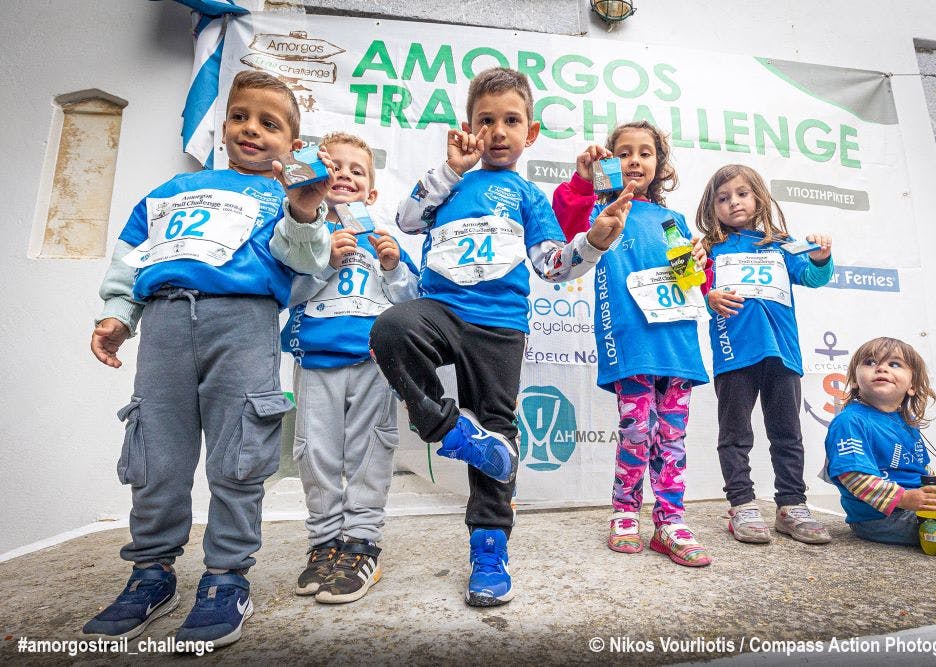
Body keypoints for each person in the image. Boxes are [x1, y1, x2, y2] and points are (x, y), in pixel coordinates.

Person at [84, 70, 333, 646]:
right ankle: (150, 573)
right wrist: (119, 315)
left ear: (293, 146)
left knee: (239, 456)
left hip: (243, 323)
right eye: (242, 117)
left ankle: (225, 578)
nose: (252, 130)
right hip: (167, 322)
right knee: (156, 453)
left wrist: (301, 213)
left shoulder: (287, 195)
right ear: (224, 128)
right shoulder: (173, 188)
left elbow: (306, 262)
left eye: (270, 124)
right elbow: (133, 257)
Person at [369, 67, 632, 606]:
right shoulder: (451, 183)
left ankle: (489, 549)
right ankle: (449, 432)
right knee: (391, 330)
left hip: (499, 327)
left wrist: (593, 243)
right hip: (441, 309)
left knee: (498, 428)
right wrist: (448, 169)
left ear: (530, 133)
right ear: (468, 127)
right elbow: (406, 217)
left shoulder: (528, 196)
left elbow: (552, 264)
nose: (498, 131)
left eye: (511, 120)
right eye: (486, 120)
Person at [552, 121, 713, 566]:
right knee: (637, 431)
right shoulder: (598, 212)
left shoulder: (674, 220)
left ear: (659, 164)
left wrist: (700, 262)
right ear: (610, 162)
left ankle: (671, 521)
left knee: (672, 437)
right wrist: (585, 181)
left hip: (678, 345)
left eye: (645, 152)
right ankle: (625, 512)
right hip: (631, 342)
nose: (635, 160)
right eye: (624, 152)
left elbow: (694, 282)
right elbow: (566, 222)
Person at [281, 131, 418, 604]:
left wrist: (396, 266)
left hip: (373, 363)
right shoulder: (302, 231)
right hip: (316, 362)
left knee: (369, 453)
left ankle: (362, 544)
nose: (344, 175)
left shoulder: (384, 239)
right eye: (334, 167)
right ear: (320, 176)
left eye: (356, 171)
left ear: (371, 192)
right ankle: (324, 544)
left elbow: (409, 303)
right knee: (314, 453)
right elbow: (285, 294)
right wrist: (322, 261)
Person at [695, 164, 834, 545]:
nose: (733, 202)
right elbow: (694, 292)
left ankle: (791, 506)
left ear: (758, 198)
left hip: (784, 355)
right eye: (723, 198)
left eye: (741, 194)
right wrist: (708, 298)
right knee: (735, 436)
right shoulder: (708, 249)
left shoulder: (781, 243)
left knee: (787, 434)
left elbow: (813, 277)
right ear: (712, 208)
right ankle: (741, 505)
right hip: (734, 355)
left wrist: (822, 257)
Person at [824, 337, 936, 554]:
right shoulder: (850, 421)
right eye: (869, 362)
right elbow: (853, 475)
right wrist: (904, 498)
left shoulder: (906, 425)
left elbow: (922, 472)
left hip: (911, 508)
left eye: (894, 364)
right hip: (879, 518)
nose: (881, 368)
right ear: (855, 381)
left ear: (912, 386)